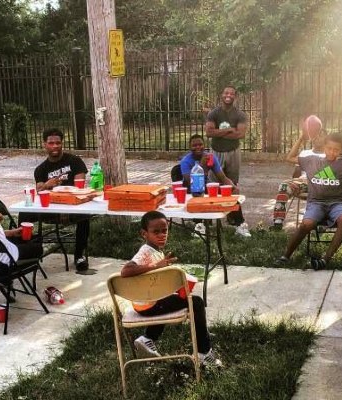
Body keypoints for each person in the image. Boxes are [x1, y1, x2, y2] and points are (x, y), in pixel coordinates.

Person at [122, 211, 222, 368]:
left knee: (175, 298)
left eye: (165, 230)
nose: (162, 235)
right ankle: (204, 352)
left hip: (149, 301)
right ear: (144, 233)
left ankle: (150, 338)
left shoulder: (155, 250)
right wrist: (156, 265)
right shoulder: (145, 251)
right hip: (148, 304)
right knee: (196, 302)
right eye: (156, 232)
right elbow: (126, 271)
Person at [276, 133, 342, 269]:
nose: (332, 152)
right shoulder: (312, 160)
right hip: (316, 203)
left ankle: (325, 259)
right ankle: (285, 256)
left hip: (337, 203)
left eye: (336, 149)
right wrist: (301, 139)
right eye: (329, 148)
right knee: (306, 224)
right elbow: (289, 158)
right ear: (324, 147)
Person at [27, 128, 93, 274]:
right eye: (51, 143)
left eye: (58, 143)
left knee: (84, 217)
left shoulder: (75, 162)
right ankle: (26, 252)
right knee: (24, 214)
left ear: (62, 144)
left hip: (73, 207)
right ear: (45, 144)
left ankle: (79, 256)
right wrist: (47, 185)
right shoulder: (40, 169)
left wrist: (66, 208)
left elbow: (79, 188)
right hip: (52, 210)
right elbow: (39, 191)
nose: (55, 146)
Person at [204, 86, 251, 237]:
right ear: (221, 95)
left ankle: (235, 220)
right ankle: (207, 222)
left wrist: (220, 133)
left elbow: (241, 134)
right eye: (226, 93)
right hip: (216, 152)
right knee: (212, 186)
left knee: (232, 186)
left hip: (233, 153)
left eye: (231, 93)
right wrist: (229, 130)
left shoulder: (240, 115)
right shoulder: (214, 113)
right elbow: (209, 132)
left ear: (235, 96)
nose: (228, 95)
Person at [273, 115, 326, 228]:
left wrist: (314, 177)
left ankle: (322, 222)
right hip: (303, 184)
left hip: (320, 185)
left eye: (321, 135)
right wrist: (301, 138)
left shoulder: (328, 155)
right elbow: (289, 158)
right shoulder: (305, 154)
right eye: (316, 135)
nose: (318, 138)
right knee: (284, 186)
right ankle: (278, 223)